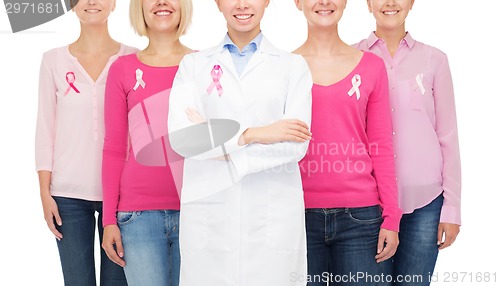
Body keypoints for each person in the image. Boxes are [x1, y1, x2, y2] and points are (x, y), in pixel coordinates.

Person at [167, 0, 313, 285]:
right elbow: (184, 139)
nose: (242, 4)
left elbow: (295, 144)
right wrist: (255, 134)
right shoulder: (193, 65)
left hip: (272, 221)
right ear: (218, 3)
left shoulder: (293, 67)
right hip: (211, 221)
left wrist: (214, 140)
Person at [293, 0, 402, 285]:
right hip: (296, 215)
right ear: (297, 3)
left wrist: (391, 216)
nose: (324, 2)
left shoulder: (371, 67)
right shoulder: (284, 68)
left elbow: (381, 146)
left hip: (362, 220)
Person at [354, 1, 461, 285]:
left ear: (412, 2)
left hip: (425, 204)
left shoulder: (434, 59)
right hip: (368, 206)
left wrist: (452, 209)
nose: (389, 3)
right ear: (368, 4)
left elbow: (447, 135)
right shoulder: (351, 57)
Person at [35, 0, 136, 285]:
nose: (92, 2)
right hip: (67, 196)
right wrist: (44, 192)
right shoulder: (53, 60)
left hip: (121, 195)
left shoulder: (133, 59)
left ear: (114, 3)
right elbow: (45, 129)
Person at [100, 0, 193, 285]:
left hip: (196, 211)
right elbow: (114, 148)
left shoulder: (204, 65)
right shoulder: (122, 69)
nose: (162, 2)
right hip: (137, 217)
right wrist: (108, 220)